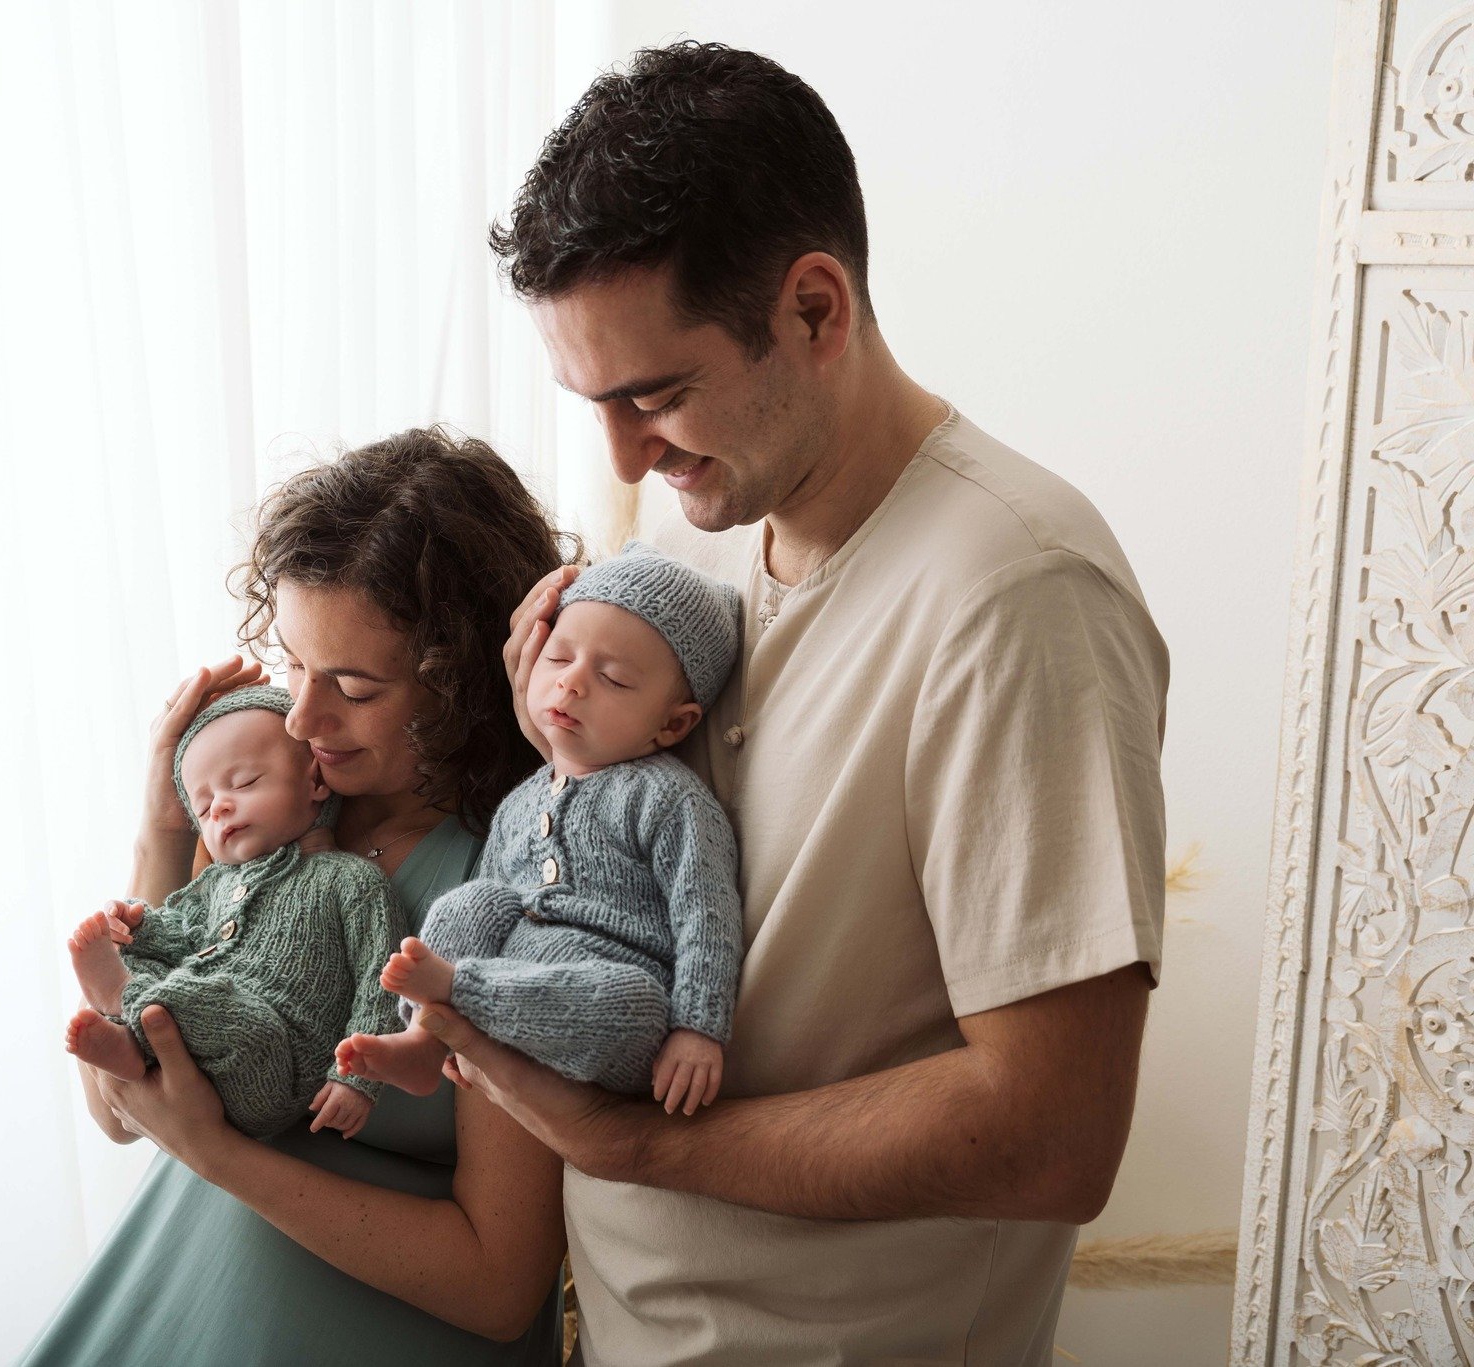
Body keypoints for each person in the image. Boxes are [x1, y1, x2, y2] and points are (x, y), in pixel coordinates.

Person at [410, 41, 1171, 1366]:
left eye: (654, 394)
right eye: (595, 403)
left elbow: (1052, 1132)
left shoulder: (1019, 592)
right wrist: (568, 749)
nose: (626, 455)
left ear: (816, 310)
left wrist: (636, 1141)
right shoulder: (694, 553)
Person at [20, 427, 572, 1364]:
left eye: (352, 684)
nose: (305, 718)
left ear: (465, 681)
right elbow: (116, 1111)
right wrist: (161, 828)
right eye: (294, 662)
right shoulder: (264, 819)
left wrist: (222, 1155)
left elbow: (500, 1284)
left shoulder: (520, 884)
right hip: (150, 1315)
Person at [338, 543, 744, 1115]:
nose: (571, 684)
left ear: (672, 725)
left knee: (634, 1003)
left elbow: (705, 911)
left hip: (612, 990)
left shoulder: (666, 796)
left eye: (614, 679)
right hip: (513, 973)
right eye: (558, 659)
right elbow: (492, 902)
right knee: (472, 900)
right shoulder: (523, 800)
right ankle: (424, 1042)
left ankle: (456, 994)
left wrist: (700, 1028)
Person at [64, 686, 399, 1141]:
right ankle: (132, 1039)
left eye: (243, 783)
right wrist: (141, 927)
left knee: (230, 1012)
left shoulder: (349, 880)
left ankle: (128, 1004)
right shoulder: (216, 882)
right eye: (203, 807)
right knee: (149, 961)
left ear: (315, 782)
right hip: (194, 1064)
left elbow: (382, 981)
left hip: (274, 1063)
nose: (220, 805)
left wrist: (358, 1077)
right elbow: (184, 936)